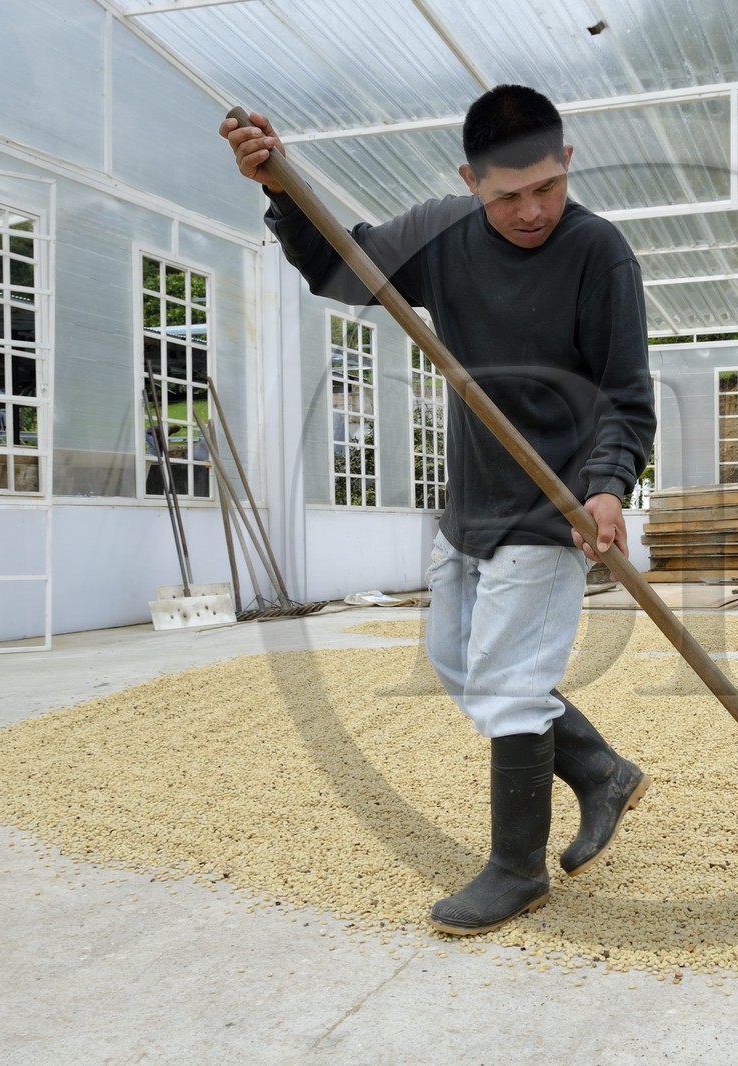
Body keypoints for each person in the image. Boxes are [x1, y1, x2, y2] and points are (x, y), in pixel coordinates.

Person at [221, 86, 655, 935]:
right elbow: (346, 267)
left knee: (509, 682)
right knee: (457, 663)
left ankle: (515, 869)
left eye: (546, 187)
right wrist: (282, 187)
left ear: (567, 162)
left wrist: (606, 485)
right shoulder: (443, 233)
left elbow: (626, 397)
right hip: (471, 500)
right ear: (470, 180)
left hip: (553, 503)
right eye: (506, 195)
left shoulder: (600, 254)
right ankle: (601, 770)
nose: (531, 211)